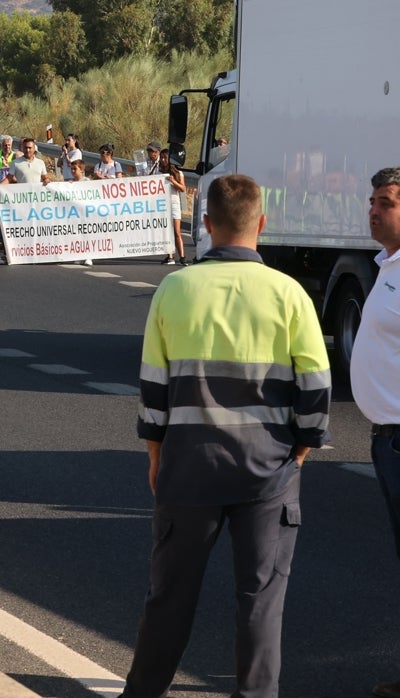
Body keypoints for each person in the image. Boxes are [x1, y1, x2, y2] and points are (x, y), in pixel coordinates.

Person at [123, 173, 331, 698]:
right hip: (268, 473)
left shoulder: (174, 289)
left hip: (188, 468)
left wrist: (156, 454)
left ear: (208, 224)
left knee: (169, 598)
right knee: (260, 599)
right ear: (261, 223)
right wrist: (298, 455)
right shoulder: (289, 294)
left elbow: (154, 390)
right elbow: (316, 390)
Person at [350, 167, 400, 698]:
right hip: (387, 438)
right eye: (372, 200)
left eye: (385, 202)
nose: (373, 209)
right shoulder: (388, 265)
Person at [158, 148, 187, 265]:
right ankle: (170, 256)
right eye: (162, 158)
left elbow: (183, 189)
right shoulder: (159, 173)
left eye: (165, 158)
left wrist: (173, 181)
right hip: (163, 204)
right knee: (167, 230)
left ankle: (183, 257)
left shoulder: (178, 173)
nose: (163, 160)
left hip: (174, 203)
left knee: (177, 232)